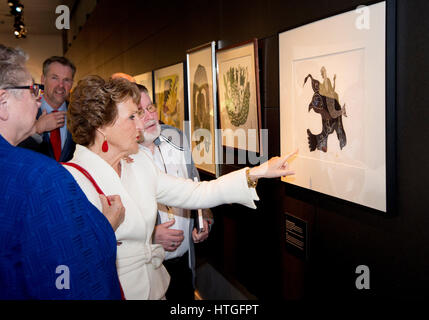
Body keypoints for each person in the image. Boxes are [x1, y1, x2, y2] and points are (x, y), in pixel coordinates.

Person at [64, 75, 297, 300]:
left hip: (156, 290)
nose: (141, 124)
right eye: (132, 117)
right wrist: (105, 227)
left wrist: (258, 172)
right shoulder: (71, 181)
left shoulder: (140, 165)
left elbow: (196, 193)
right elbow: (67, 263)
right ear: (103, 126)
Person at [0, 44, 125, 299]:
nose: (38, 97)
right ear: (3, 102)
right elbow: (73, 271)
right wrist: (105, 224)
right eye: (32, 89)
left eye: (67, 80)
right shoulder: (42, 177)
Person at [137, 84, 213, 300]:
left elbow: (194, 181)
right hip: (150, 268)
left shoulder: (176, 136)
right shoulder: (124, 156)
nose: (150, 116)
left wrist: (203, 218)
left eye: (150, 107)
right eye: (140, 112)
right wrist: (151, 236)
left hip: (185, 262)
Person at [18, 56, 76, 161]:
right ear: (43, 80)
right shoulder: (23, 113)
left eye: (66, 80)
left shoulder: (79, 115)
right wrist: (36, 131)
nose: (61, 85)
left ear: (72, 84)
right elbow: (12, 154)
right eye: (54, 78)